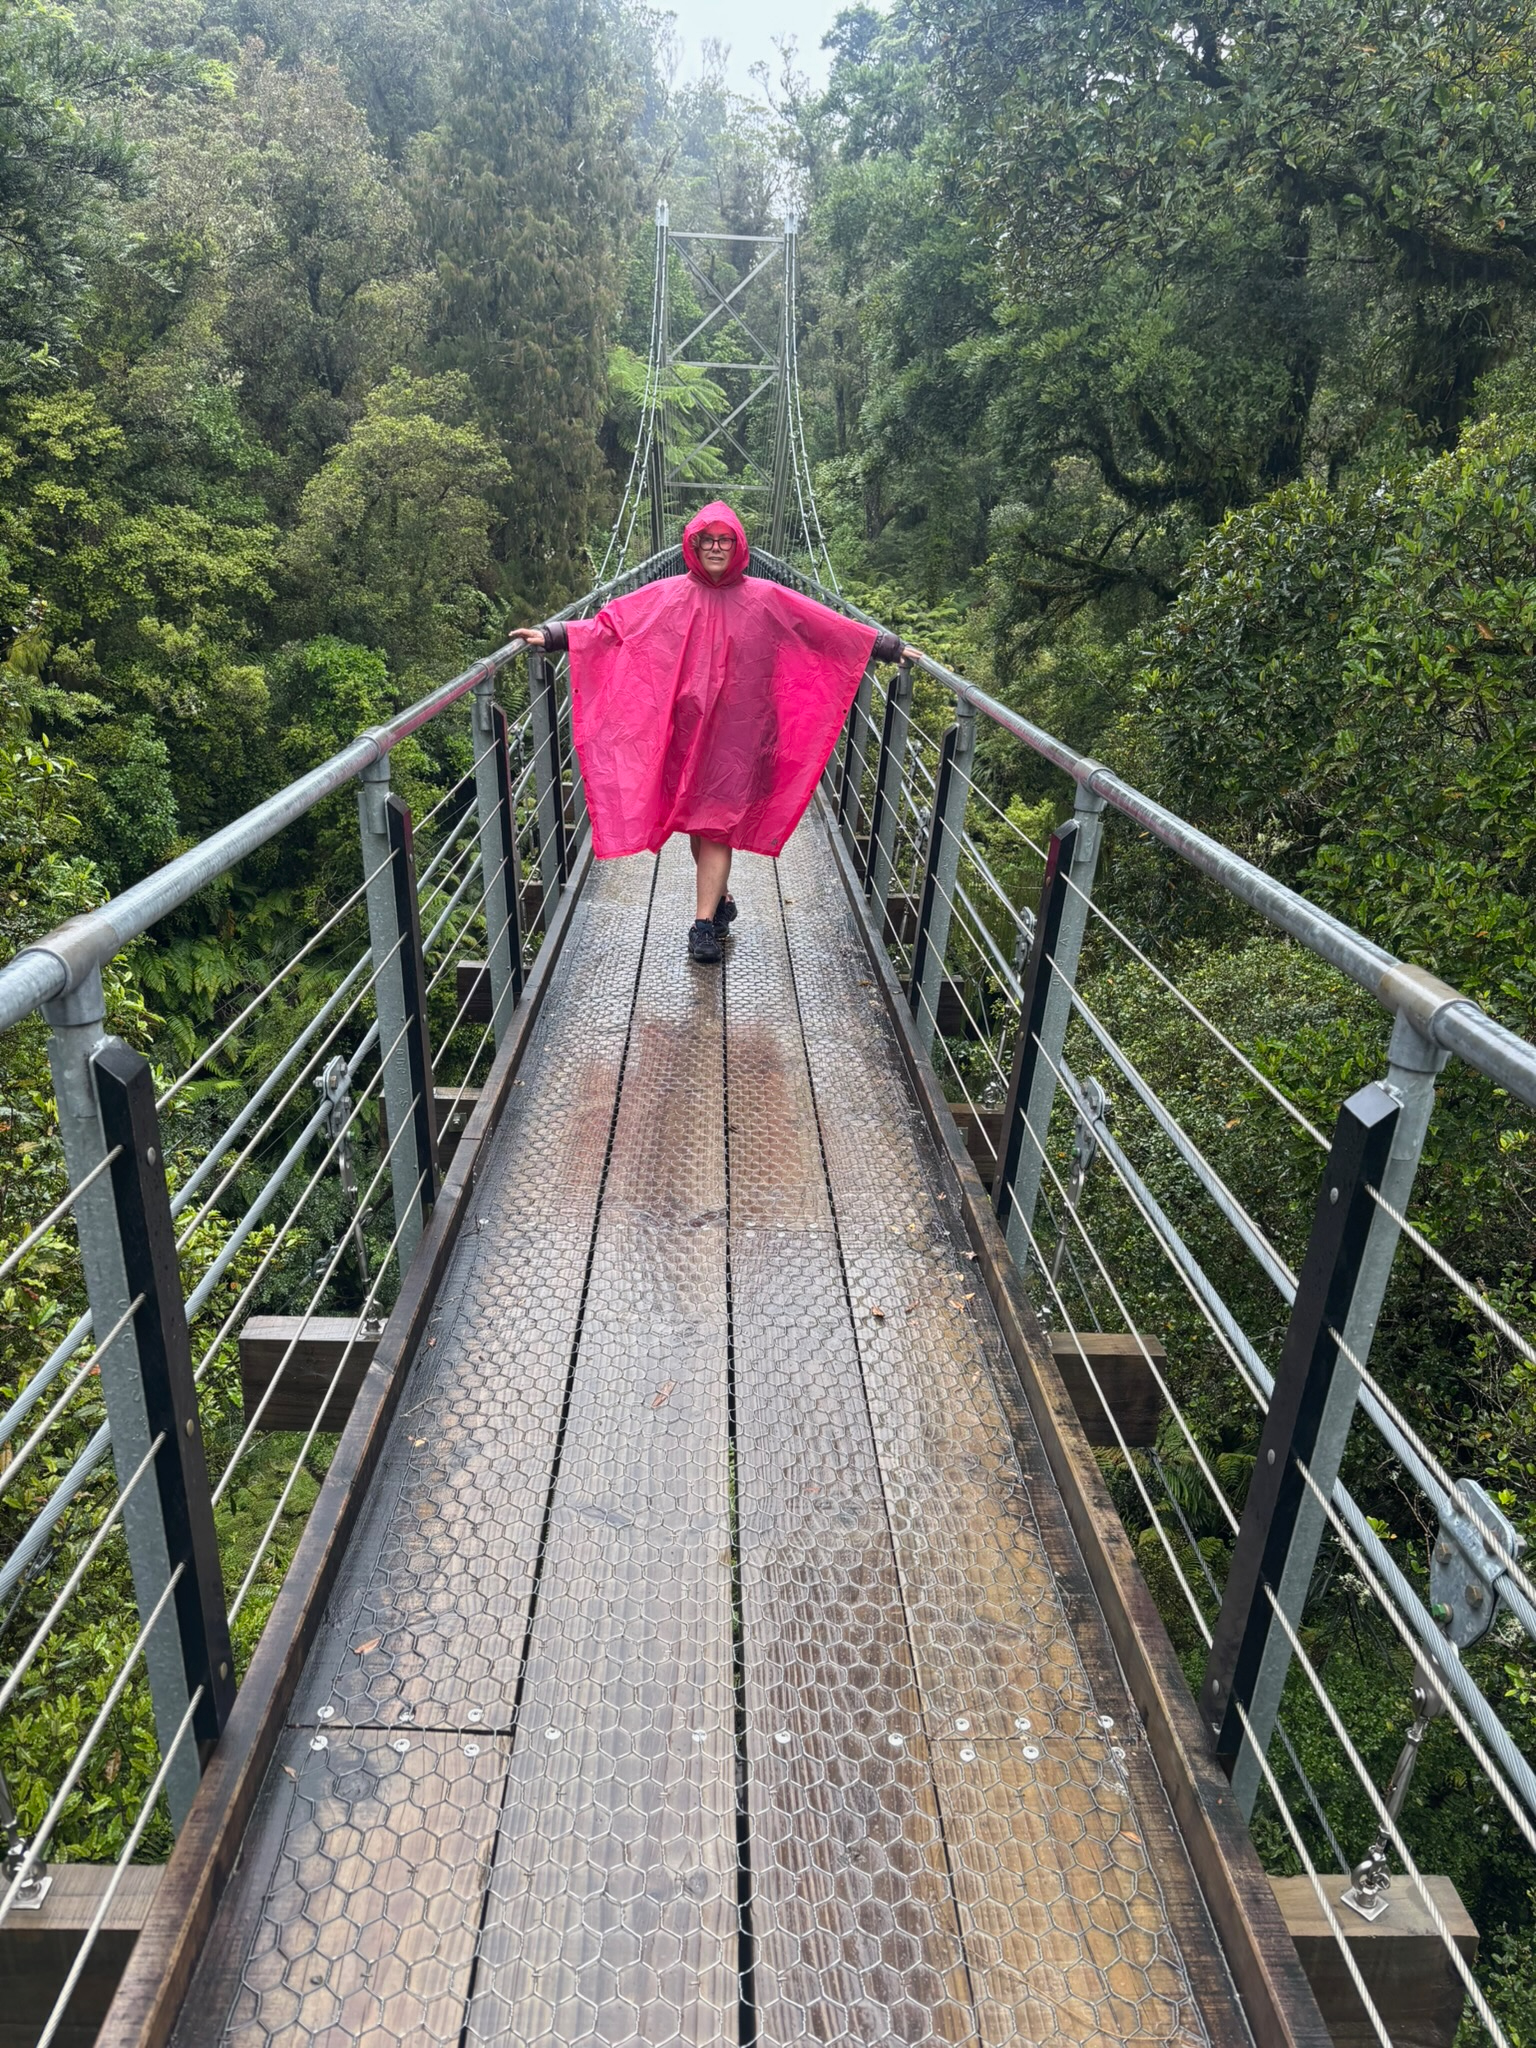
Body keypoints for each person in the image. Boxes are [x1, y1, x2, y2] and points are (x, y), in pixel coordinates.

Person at [511, 501, 921, 962]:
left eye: (725, 540)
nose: (716, 548)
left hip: (742, 735)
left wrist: (888, 646)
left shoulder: (766, 597)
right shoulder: (667, 595)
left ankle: (702, 925)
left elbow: (822, 626)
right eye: (707, 539)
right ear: (693, 544)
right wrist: (553, 634)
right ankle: (721, 900)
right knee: (696, 821)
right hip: (687, 730)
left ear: (738, 545)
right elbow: (612, 627)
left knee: (715, 823)